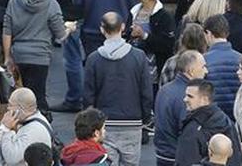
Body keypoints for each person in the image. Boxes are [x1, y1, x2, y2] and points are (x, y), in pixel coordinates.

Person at [83, 12, 153, 166]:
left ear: (102, 29)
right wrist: (146, 117)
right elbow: (146, 92)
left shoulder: (93, 59)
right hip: (132, 122)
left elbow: (88, 95)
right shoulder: (139, 57)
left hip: (103, 124)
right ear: (122, 27)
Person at [156, 51, 207, 166]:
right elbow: (188, 132)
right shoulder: (188, 96)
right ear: (191, 70)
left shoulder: (164, 90)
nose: (206, 71)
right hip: (180, 157)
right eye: (203, 66)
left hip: (163, 154)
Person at [175, 80, 241, 166]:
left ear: (204, 100)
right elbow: (236, 157)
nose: (185, 99)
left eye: (190, 96)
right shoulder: (227, 122)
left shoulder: (192, 129)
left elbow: (185, 161)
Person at [0, 89, 54, 166]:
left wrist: (6, 130)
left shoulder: (34, 130)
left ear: (20, 108)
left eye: (11, 105)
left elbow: (11, 158)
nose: (8, 108)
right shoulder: (33, 121)